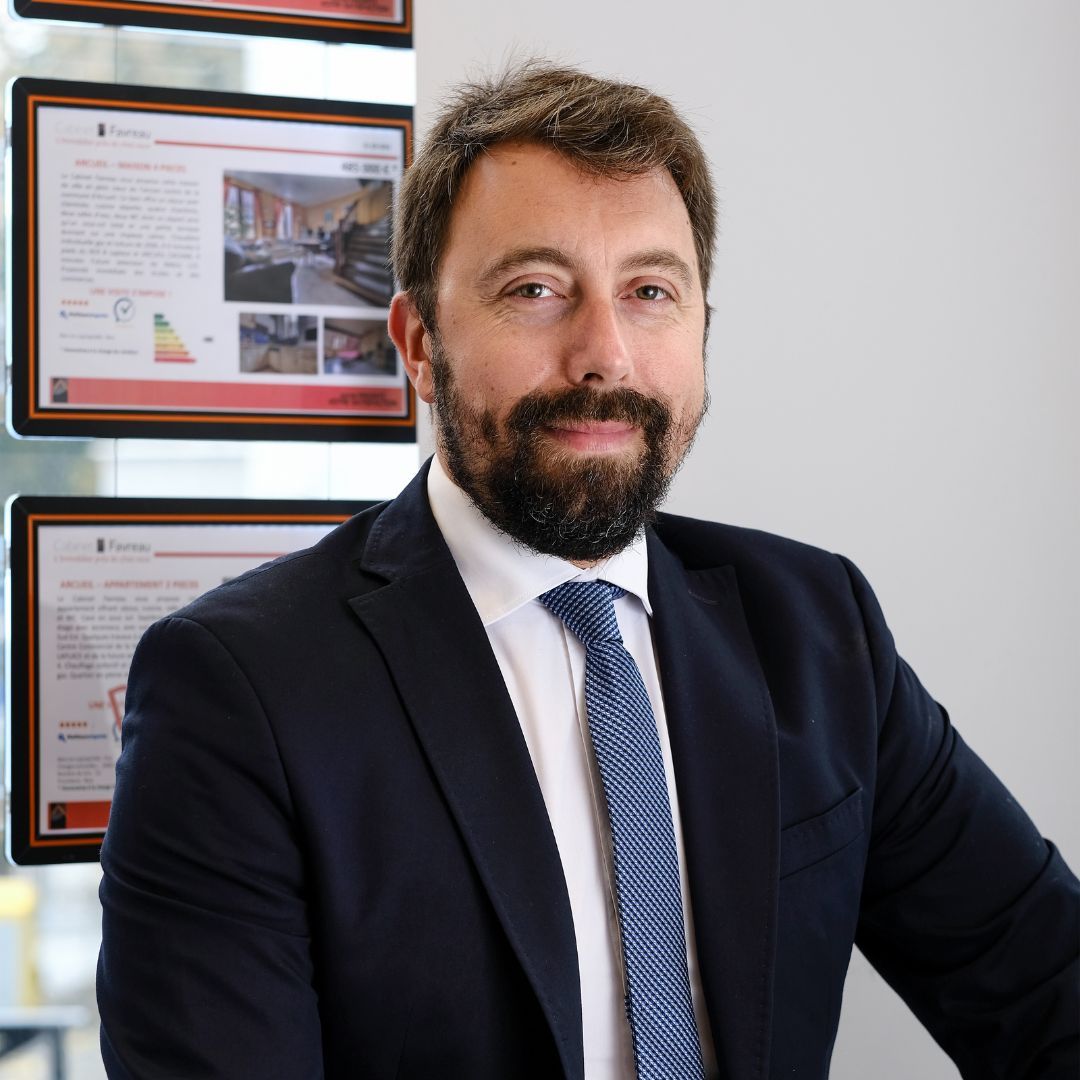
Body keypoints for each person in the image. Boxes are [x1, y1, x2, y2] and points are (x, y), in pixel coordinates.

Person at [97, 63, 1078, 1079]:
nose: (604, 354)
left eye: (650, 292)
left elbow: (1047, 982)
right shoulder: (240, 689)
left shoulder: (819, 629)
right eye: (535, 290)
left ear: (702, 331)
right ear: (420, 345)